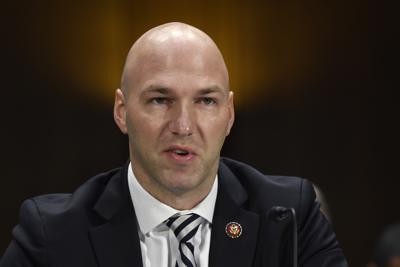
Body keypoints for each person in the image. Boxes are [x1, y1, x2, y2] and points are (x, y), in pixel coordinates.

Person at [0, 22, 347, 267]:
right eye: (160, 100)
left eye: (206, 101)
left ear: (228, 115)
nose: (183, 125)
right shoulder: (53, 234)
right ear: (122, 112)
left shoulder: (289, 216)